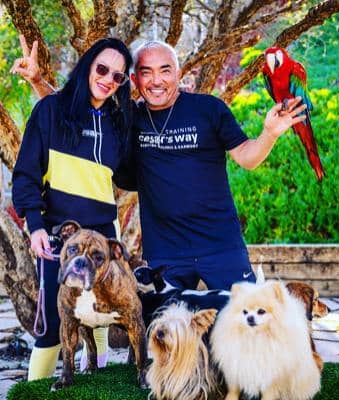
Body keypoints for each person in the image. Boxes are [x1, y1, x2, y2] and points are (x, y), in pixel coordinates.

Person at [12, 38, 306, 291]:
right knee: (165, 332)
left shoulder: (208, 109)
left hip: (220, 245)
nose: (156, 81)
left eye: (165, 70)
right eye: (146, 72)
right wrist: (38, 81)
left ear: (178, 73)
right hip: (165, 253)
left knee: (243, 325)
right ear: (135, 80)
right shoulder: (128, 119)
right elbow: (71, 112)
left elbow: (247, 157)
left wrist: (269, 134)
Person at [11, 37, 134, 380]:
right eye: (102, 69)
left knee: (101, 312)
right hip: (57, 236)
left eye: (118, 76)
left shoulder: (118, 123)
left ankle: (97, 376)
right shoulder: (51, 110)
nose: (108, 79)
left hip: (104, 235)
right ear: (87, 66)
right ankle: (34, 390)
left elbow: (132, 172)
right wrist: (35, 224)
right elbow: (26, 173)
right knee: (54, 323)